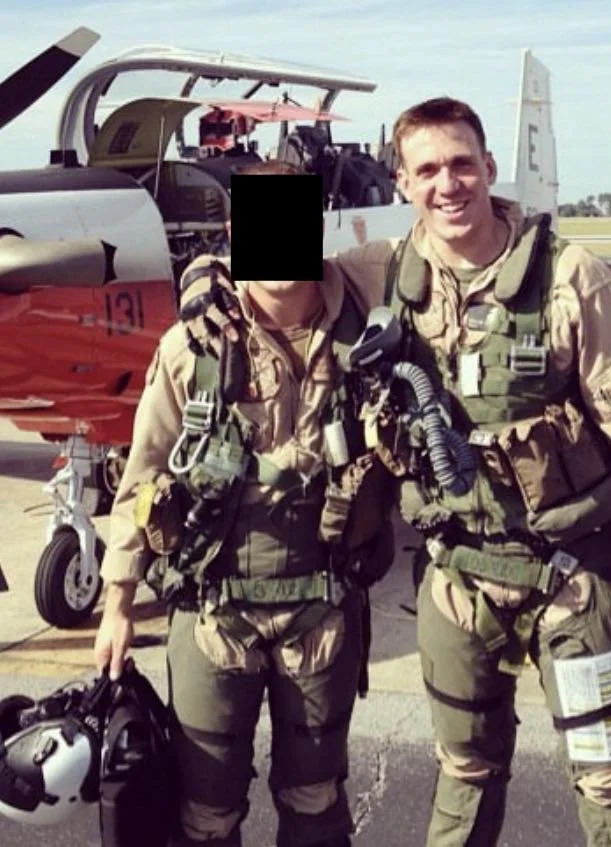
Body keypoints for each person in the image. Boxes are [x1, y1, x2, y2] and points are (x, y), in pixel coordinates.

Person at [180, 99, 611, 847]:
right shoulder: (384, 271)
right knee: (462, 777)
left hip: (573, 575)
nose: (447, 184)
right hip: (457, 580)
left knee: (608, 783)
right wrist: (207, 274)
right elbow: (281, 272)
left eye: (461, 164)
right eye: (427, 170)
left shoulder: (567, 278)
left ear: (488, 168)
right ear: (403, 182)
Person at [93, 160, 395, 847]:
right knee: (204, 814)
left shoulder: (366, 332)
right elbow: (141, 477)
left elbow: (447, 243)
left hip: (323, 611)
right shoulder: (192, 348)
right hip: (212, 615)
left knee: (316, 802)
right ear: (234, 233)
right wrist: (115, 604)